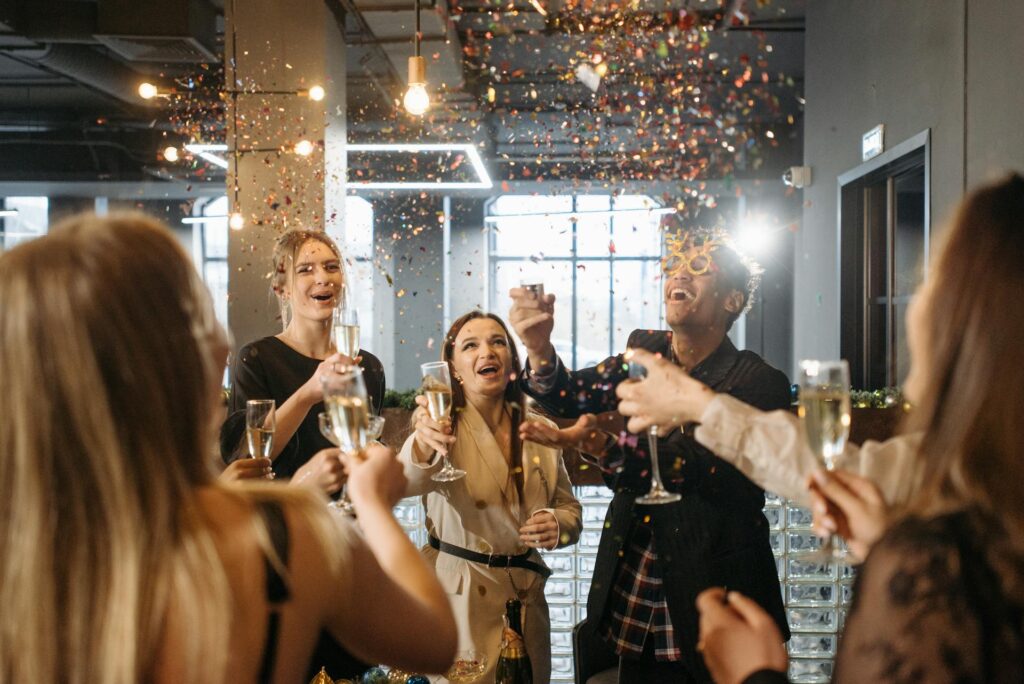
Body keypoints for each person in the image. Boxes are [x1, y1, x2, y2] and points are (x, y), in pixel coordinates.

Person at [0, 213, 457, 683]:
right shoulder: (281, 530)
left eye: (331, 266)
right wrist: (370, 503)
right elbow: (435, 642)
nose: (223, 341)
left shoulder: (33, 564)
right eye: (199, 317)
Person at [625, 174, 1024, 683]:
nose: (916, 305)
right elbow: (835, 469)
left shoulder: (932, 574)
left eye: (930, 283)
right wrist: (884, 543)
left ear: (976, 323)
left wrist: (756, 675)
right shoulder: (965, 471)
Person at [509, 231, 791, 682]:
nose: (680, 275)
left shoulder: (758, 382)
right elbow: (571, 394)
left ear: (732, 299)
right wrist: (539, 350)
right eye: (675, 266)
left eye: (699, 269)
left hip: (716, 595)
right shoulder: (646, 352)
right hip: (635, 590)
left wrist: (600, 446)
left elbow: (690, 465)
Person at [398, 311, 582, 683]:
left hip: (526, 600)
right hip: (461, 599)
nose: (488, 351)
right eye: (471, 345)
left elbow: (569, 509)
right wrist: (421, 443)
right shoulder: (440, 426)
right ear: (453, 367)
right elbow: (406, 481)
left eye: (498, 342)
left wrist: (558, 524)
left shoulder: (541, 428)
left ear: (512, 359)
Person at [220, 229, 386, 492]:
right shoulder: (257, 359)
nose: (323, 278)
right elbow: (247, 459)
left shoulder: (369, 366)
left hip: (352, 513)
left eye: (331, 267)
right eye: (305, 270)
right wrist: (308, 393)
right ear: (282, 289)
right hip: (285, 511)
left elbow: (366, 450)